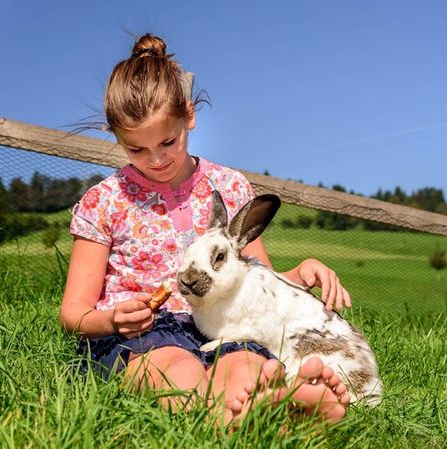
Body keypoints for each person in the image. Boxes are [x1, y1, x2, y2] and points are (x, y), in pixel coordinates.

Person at [59, 33, 352, 425]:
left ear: (189, 116)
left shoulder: (229, 186)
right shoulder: (105, 201)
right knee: (174, 368)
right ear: (117, 138)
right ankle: (241, 414)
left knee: (246, 363)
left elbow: (257, 276)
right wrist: (112, 321)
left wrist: (303, 272)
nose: (156, 159)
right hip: (147, 333)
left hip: (227, 323)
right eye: (137, 149)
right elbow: (74, 313)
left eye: (168, 141)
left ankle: (266, 404)